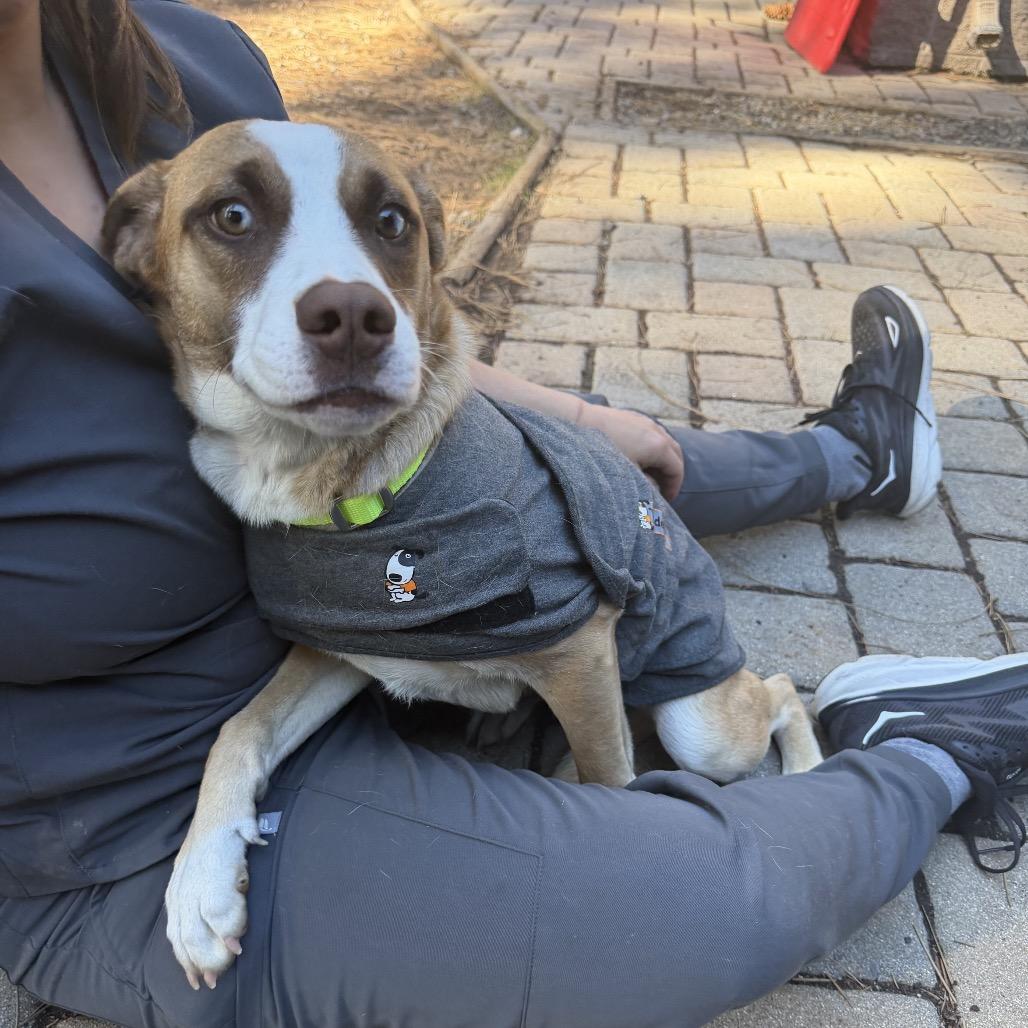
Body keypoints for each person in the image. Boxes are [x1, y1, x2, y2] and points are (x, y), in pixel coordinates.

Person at [0, 1, 1024, 1026]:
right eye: (232, 220)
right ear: (139, 246)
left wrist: (581, 415)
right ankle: (915, 751)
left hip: (352, 526)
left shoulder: (187, 56)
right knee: (682, 906)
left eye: (389, 228)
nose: (344, 299)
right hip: (122, 808)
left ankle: (854, 457)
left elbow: (379, 301)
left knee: (612, 470)